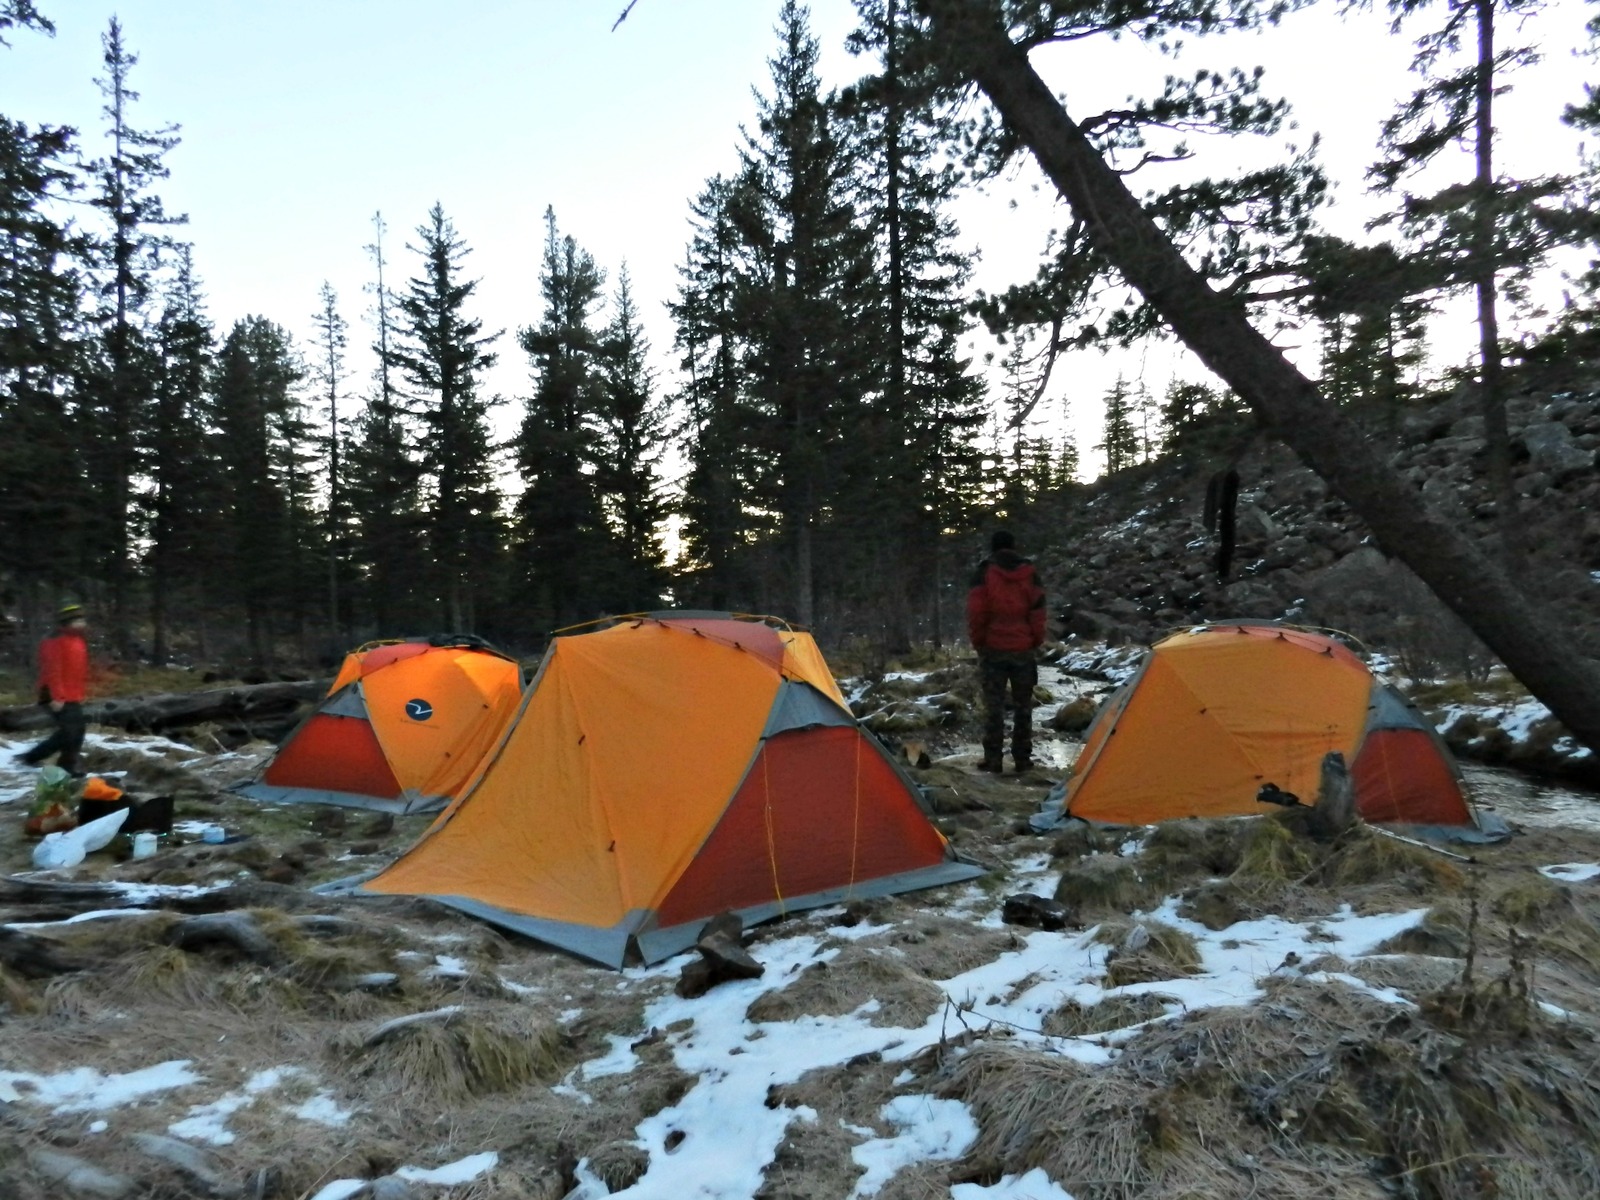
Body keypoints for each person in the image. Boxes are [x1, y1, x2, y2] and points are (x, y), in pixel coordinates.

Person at [967, 531, 1047, 773]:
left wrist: (979, 641)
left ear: (993, 548)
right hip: (1023, 648)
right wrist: (1035, 640)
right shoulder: (1031, 573)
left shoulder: (984, 572)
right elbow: (1038, 611)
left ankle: (993, 759)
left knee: (994, 706)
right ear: (1014, 547)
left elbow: (976, 611)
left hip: (993, 648)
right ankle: (1022, 759)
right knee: (1023, 706)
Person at [19, 604, 91, 775]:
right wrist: (56, 697)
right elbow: (53, 670)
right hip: (53, 693)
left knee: (76, 730)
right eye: (78, 620)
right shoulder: (54, 641)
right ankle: (53, 762)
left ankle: (59, 763)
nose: (82, 623)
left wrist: (80, 693)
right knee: (70, 731)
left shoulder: (78, 641)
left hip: (72, 693)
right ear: (67, 622)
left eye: (82, 620)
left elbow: (76, 670)